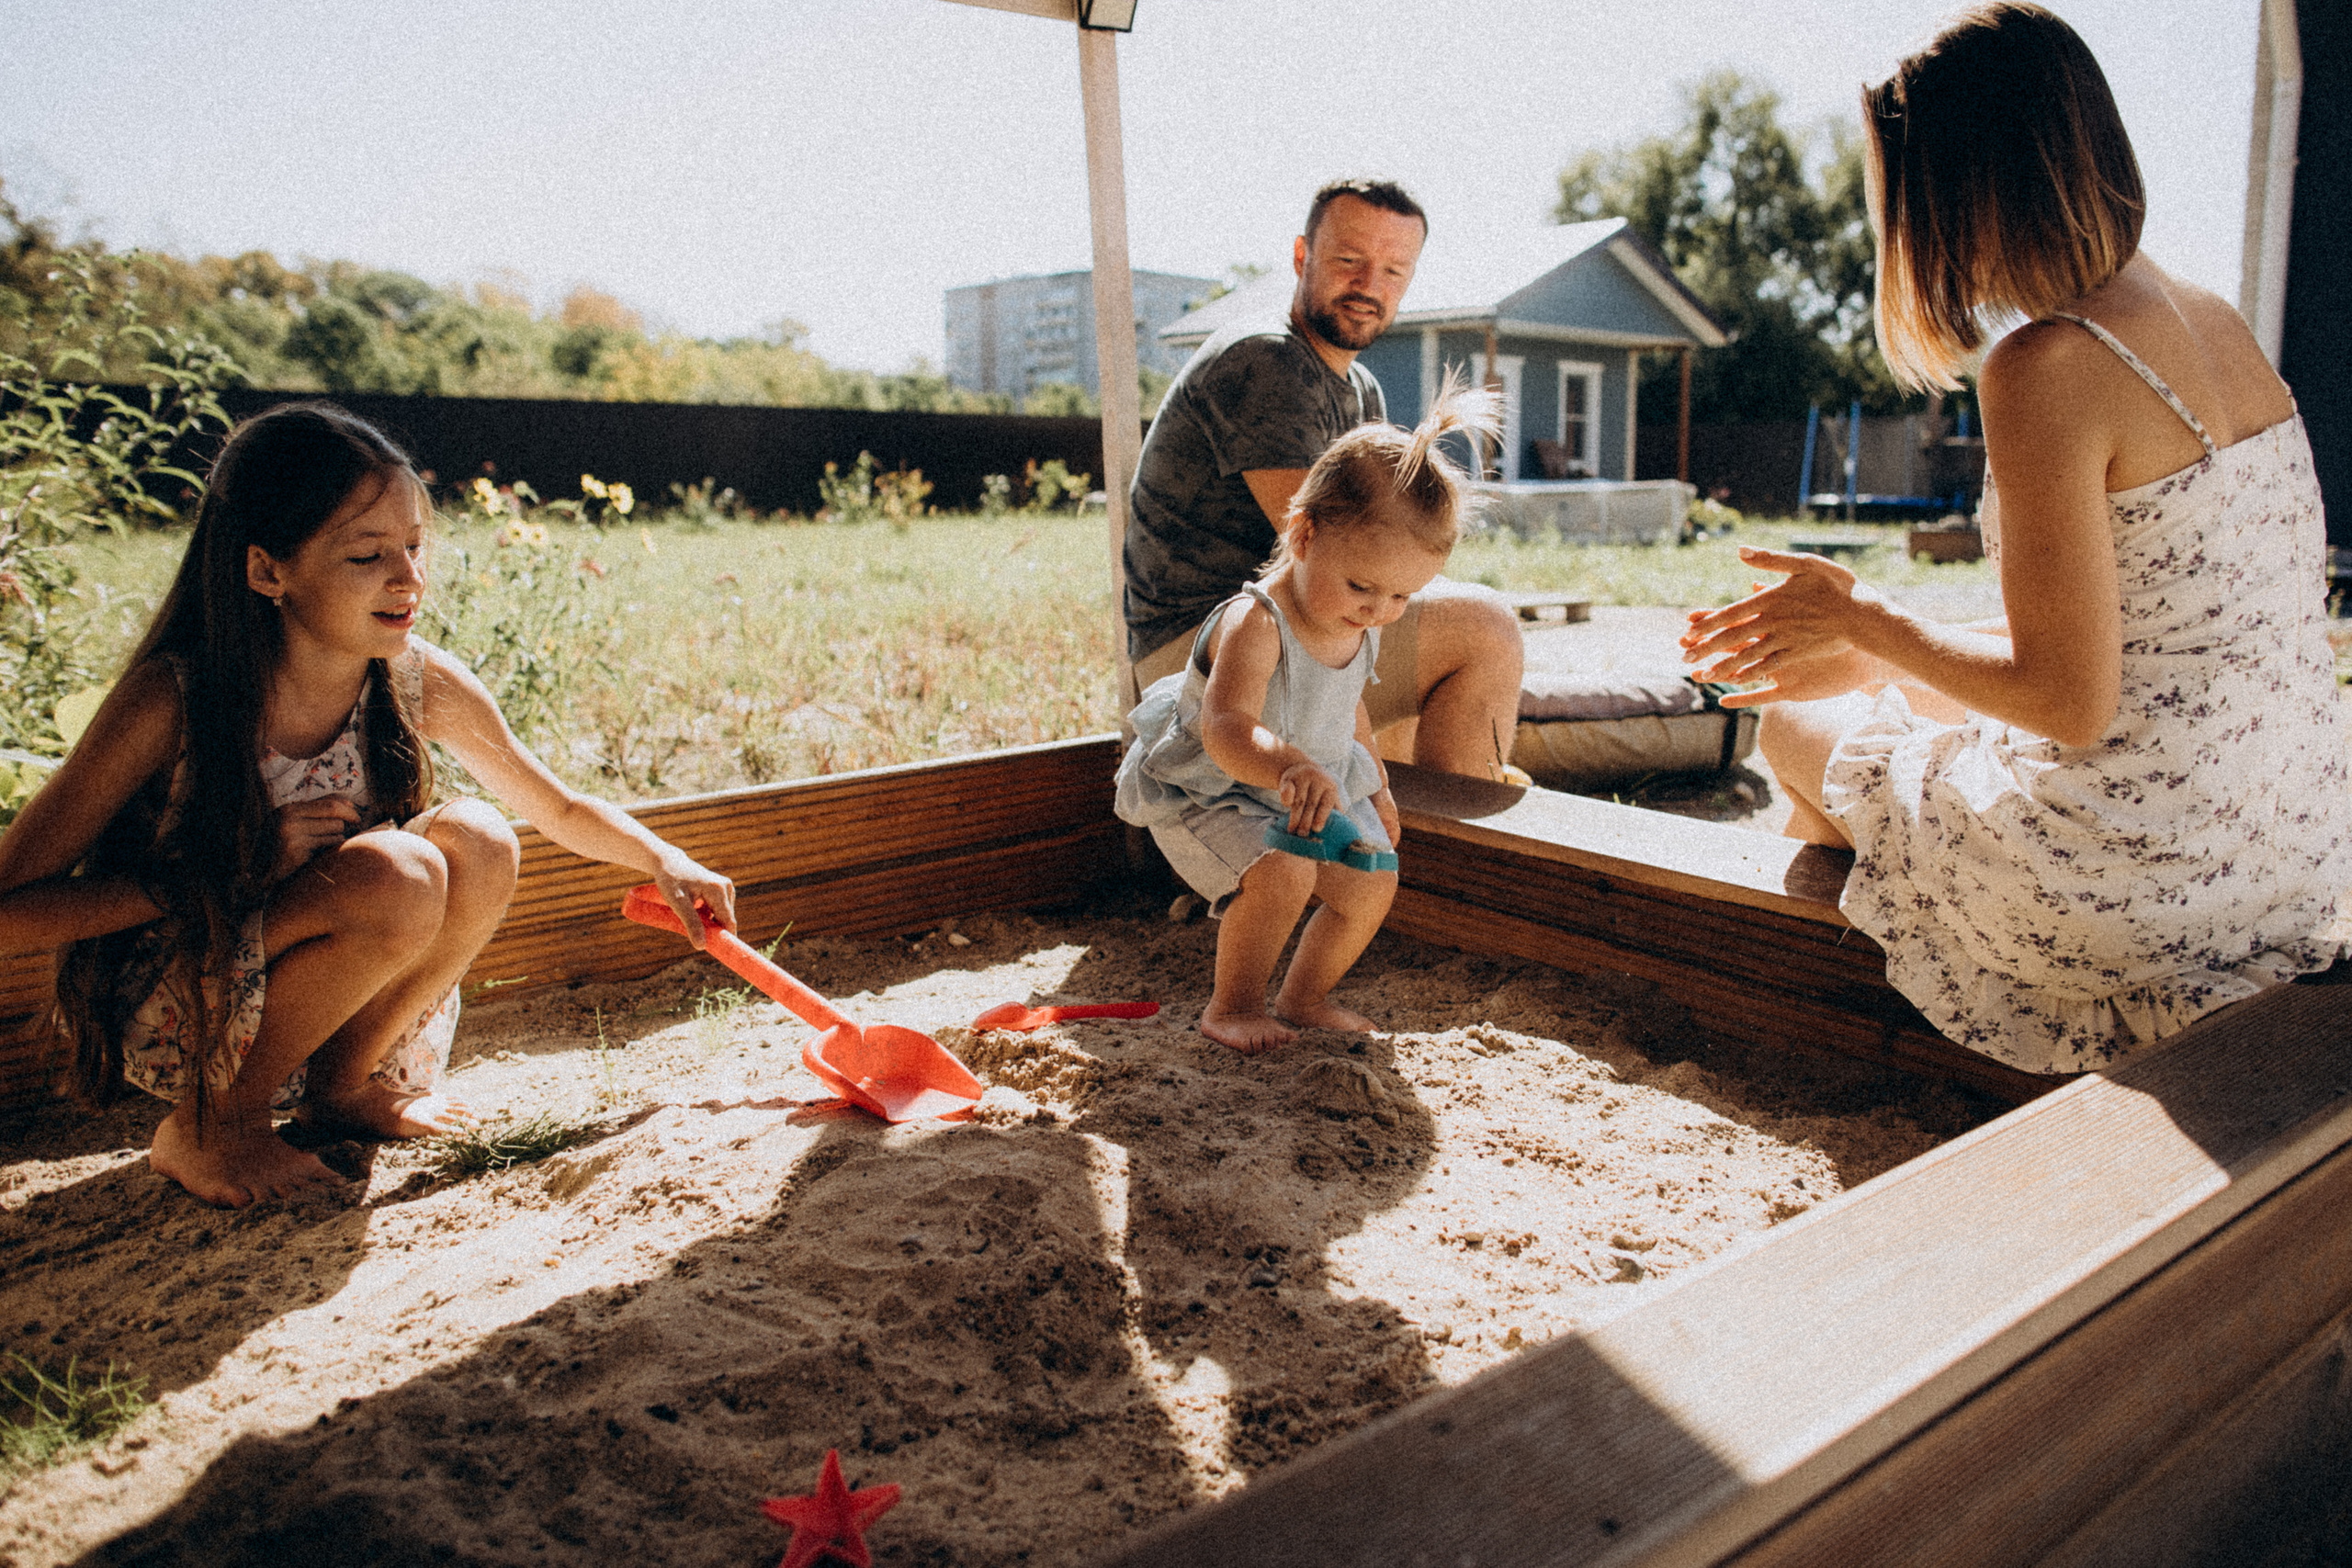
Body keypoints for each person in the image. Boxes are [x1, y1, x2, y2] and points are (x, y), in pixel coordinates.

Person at [1679, 2, 2352, 1073]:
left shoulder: (2048, 364)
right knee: (1880, 715)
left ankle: (1836, 1039)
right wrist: (1878, 652)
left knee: (1791, 734)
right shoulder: (2217, 323)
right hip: (2287, 858)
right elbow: (2153, 625)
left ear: (1956, 192)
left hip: (2136, 882)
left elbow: (2067, 700)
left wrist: (1863, 616)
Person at [0, 403, 738, 1208]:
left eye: (415, 546)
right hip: (180, 1007)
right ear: (266, 571)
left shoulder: (416, 678)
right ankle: (213, 1122)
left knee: (483, 838)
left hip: (319, 998)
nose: (409, 578)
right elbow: (9, 911)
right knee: (400, 872)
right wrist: (224, 868)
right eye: (367, 554)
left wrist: (663, 858)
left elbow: (556, 807)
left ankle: (341, 1087)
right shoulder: (176, 698)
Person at [1116, 378, 1500, 1053]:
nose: (1378, 609)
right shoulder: (1256, 622)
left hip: (1301, 789)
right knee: (1283, 871)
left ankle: (1305, 995)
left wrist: (1377, 785)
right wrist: (1288, 764)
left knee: (1373, 879)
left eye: (1401, 596)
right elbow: (1226, 727)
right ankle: (1232, 1007)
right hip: (1213, 789)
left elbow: (1348, 709)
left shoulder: (1359, 622)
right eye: (1362, 586)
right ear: (1302, 533)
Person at [1124, 177, 1524, 780]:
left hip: (1287, 627)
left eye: (1394, 271)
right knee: (1485, 631)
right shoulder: (1265, 361)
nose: (1370, 285)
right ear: (1301, 256)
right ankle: (1454, 833)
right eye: (1349, 260)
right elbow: (1327, 549)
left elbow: (1379, 561)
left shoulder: (1361, 390)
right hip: (1206, 654)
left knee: (1401, 619)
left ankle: (1393, 819)